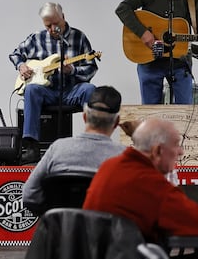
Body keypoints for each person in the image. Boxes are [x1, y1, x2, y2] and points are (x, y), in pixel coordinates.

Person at [82, 118, 198, 242]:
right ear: (157, 151)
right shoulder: (150, 184)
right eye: (176, 144)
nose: (180, 152)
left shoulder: (109, 166)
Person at [9, 2, 98, 164]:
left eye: (55, 24)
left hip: (72, 90)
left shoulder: (79, 38)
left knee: (90, 89)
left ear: (63, 18)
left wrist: (72, 70)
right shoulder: (36, 38)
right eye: (48, 25)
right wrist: (21, 66)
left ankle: (92, 141)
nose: (52, 29)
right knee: (31, 90)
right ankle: (31, 147)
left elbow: (91, 68)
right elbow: (15, 54)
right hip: (47, 92)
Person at [22, 85, 126, 215]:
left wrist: (54, 216)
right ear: (116, 123)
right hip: (102, 233)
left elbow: (29, 195)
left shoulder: (57, 149)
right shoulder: (123, 156)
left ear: (84, 116)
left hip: (59, 232)